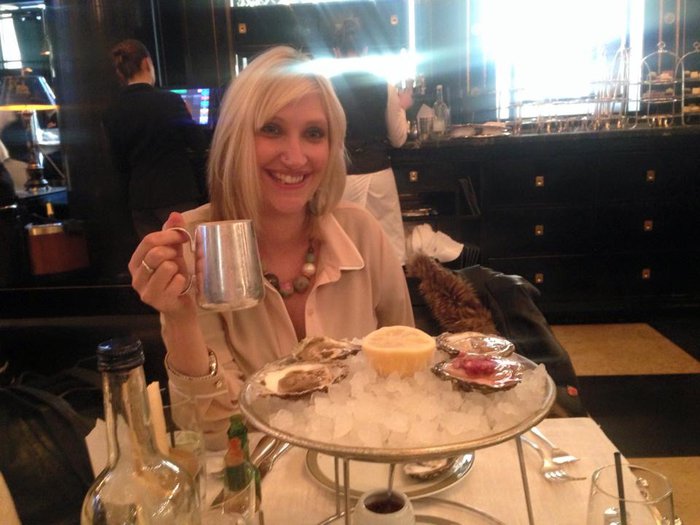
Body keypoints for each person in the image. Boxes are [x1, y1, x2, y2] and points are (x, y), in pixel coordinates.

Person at [127, 46, 414, 449]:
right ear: (235, 137)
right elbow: (211, 435)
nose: (295, 157)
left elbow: (407, 375)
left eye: (314, 133)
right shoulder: (197, 244)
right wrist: (180, 319)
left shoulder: (361, 231)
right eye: (272, 129)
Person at [103, 39, 207, 239]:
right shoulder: (170, 101)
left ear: (120, 72)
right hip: (176, 195)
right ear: (146, 63)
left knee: (157, 260)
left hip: (140, 200)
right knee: (189, 255)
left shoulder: (112, 111)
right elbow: (198, 144)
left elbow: (119, 162)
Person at [330, 19, 414, 264]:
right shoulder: (384, 86)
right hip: (378, 174)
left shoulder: (325, 88)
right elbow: (398, 139)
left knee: (343, 253)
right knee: (391, 253)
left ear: (336, 52)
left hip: (340, 178)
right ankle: (390, 301)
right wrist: (402, 105)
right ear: (366, 51)